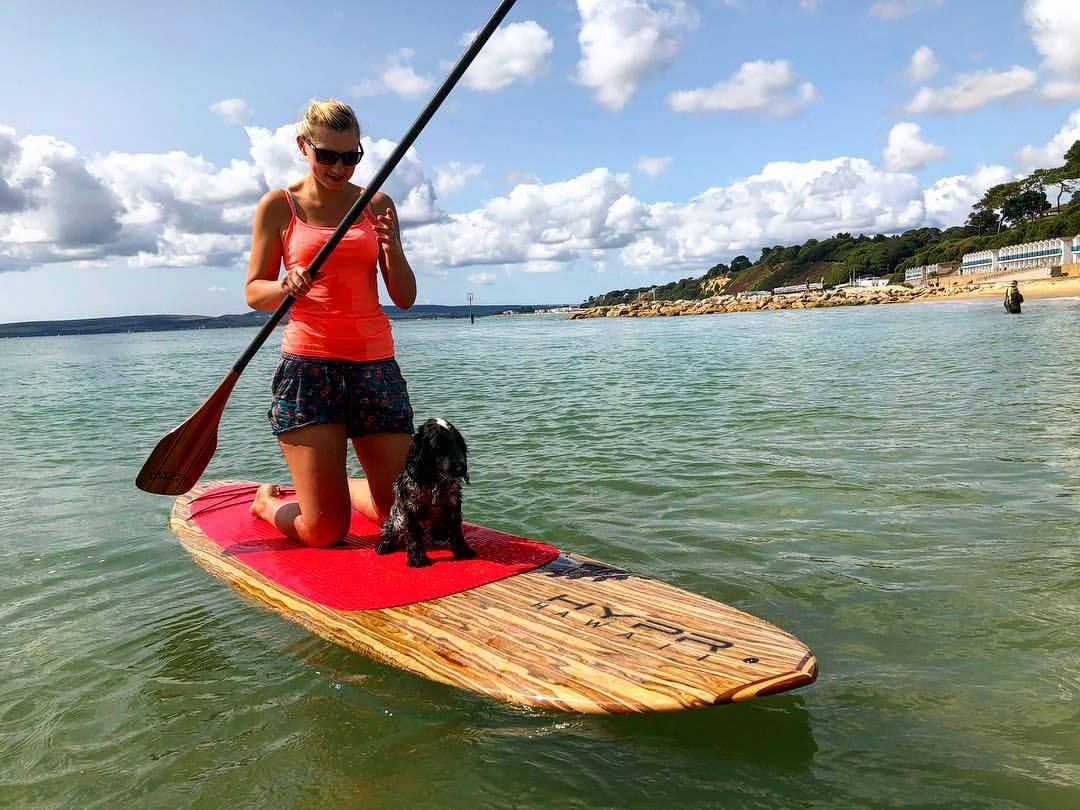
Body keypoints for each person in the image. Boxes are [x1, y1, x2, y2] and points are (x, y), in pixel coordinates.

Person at [245, 99, 417, 547]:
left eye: (350, 156)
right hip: (310, 368)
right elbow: (254, 292)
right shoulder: (278, 206)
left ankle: (343, 494)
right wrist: (285, 285)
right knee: (324, 532)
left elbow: (404, 298)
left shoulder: (376, 203)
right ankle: (267, 504)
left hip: (375, 367)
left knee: (403, 519)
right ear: (304, 146)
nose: (339, 167)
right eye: (327, 155)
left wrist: (392, 249)